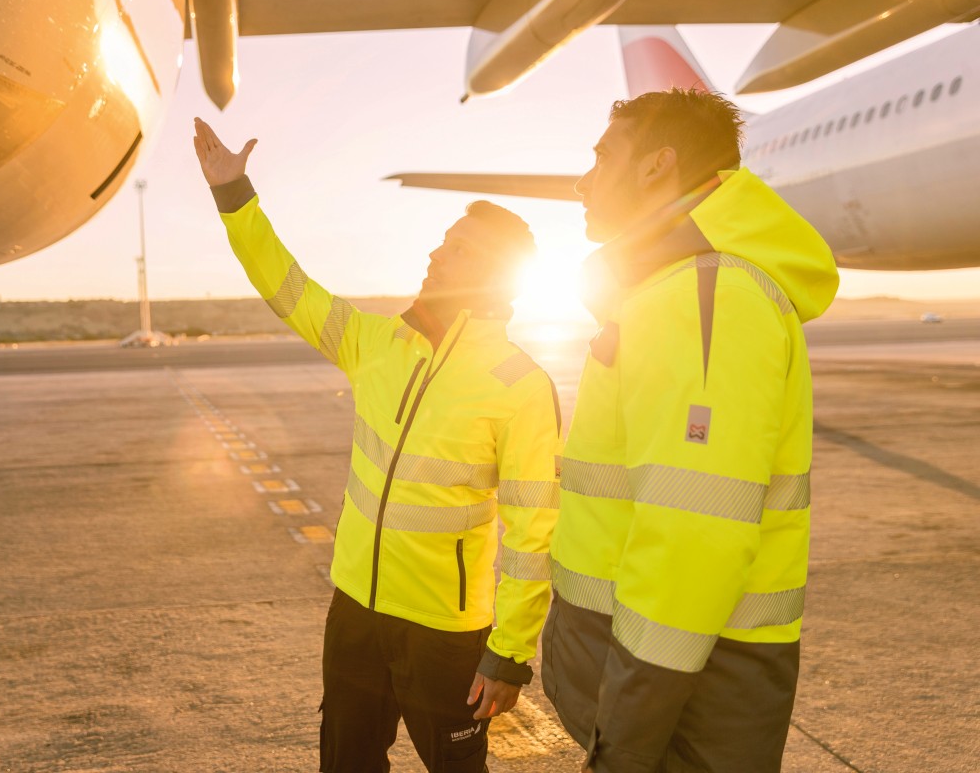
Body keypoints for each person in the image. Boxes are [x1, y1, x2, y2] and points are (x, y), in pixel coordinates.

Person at [192, 117, 561, 773]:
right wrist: (235, 196)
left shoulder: (519, 384)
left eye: (462, 251)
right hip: (355, 613)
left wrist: (510, 653)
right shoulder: (374, 342)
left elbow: (535, 536)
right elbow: (286, 286)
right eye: (444, 242)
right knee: (346, 763)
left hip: (446, 633)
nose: (437, 256)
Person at [543, 89, 840, 772]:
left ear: (657, 166)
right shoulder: (674, 286)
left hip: (681, 706)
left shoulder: (706, 292)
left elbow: (693, 533)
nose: (582, 180)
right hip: (674, 691)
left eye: (602, 157)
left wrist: (626, 739)